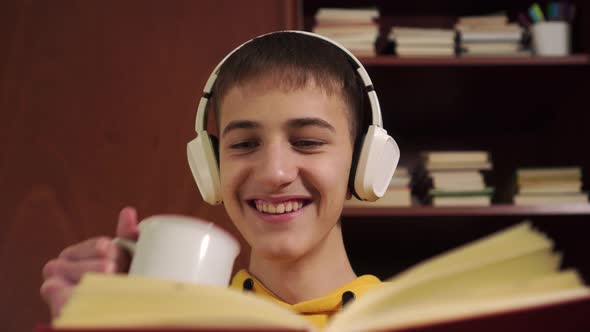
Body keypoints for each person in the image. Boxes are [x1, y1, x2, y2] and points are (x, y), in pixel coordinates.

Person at [40, 31, 398, 329]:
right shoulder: (174, 323)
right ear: (211, 167)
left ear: (361, 162)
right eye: (244, 144)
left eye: (307, 142)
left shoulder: (413, 320)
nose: (274, 173)